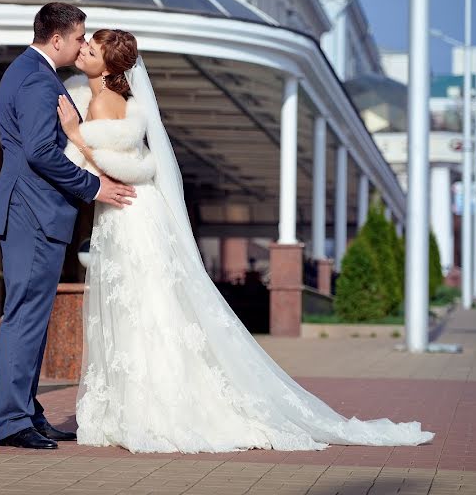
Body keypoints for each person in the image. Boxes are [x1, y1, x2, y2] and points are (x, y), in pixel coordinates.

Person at [57, 29, 434, 453]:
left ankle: (156, 408)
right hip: (127, 214)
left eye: (91, 49)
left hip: (131, 215)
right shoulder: (98, 97)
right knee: (143, 306)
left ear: (108, 66)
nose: (83, 50)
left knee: (145, 307)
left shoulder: (106, 101)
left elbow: (121, 168)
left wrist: (74, 134)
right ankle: (140, 404)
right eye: (84, 44)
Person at [0, 3, 136, 450]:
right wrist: (94, 187)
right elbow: (39, 152)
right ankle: (13, 422)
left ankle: (27, 413)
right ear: (57, 39)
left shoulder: (29, 70)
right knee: (25, 317)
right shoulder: (35, 77)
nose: (81, 44)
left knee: (31, 317)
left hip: (34, 211)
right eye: (78, 37)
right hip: (32, 211)